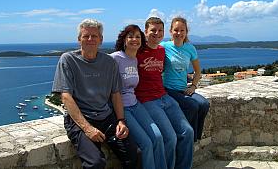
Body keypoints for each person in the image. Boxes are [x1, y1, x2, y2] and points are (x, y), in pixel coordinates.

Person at [52, 18, 137, 169]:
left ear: (101, 40)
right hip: (80, 119)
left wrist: (121, 121)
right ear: (79, 39)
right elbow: (66, 96)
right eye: (86, 36)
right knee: (95, 163)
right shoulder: (68, 59)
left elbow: (115, 94)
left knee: (133, 154)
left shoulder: (109, 62)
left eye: (94, 36)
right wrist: (87, 129)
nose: (90, 39)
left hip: (106, 117)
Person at [135, 17, 194, 169]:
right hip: (147, 100)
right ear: (145, 32)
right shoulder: (137, 51)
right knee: (170, 138)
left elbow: (173, 67)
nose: (156, 33)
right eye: (153, 30)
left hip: (164, 96)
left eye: (160, 30)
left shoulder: (162, 50)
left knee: (187, 132)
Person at [110, 25, 167, 169]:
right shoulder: (115, 58)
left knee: (158, 137)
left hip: (135, 104)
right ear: (124, 40)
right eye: (130, 36)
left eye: (137, 36)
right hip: (123, 108)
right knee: (146, 144)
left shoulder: (134, 59)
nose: (134, 39)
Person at [160, 16, 210, 142]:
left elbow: (198, 71)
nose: (179, 33)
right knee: (192, 106)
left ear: (186, 32)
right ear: (170, 31)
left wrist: (193, 86)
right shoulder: (163, 47)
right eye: (176, 30)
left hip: (183, 89)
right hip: (168, 89)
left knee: (204, 104)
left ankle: (194, 137)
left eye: (182, 30)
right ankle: (182, 135)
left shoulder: (190, 48)